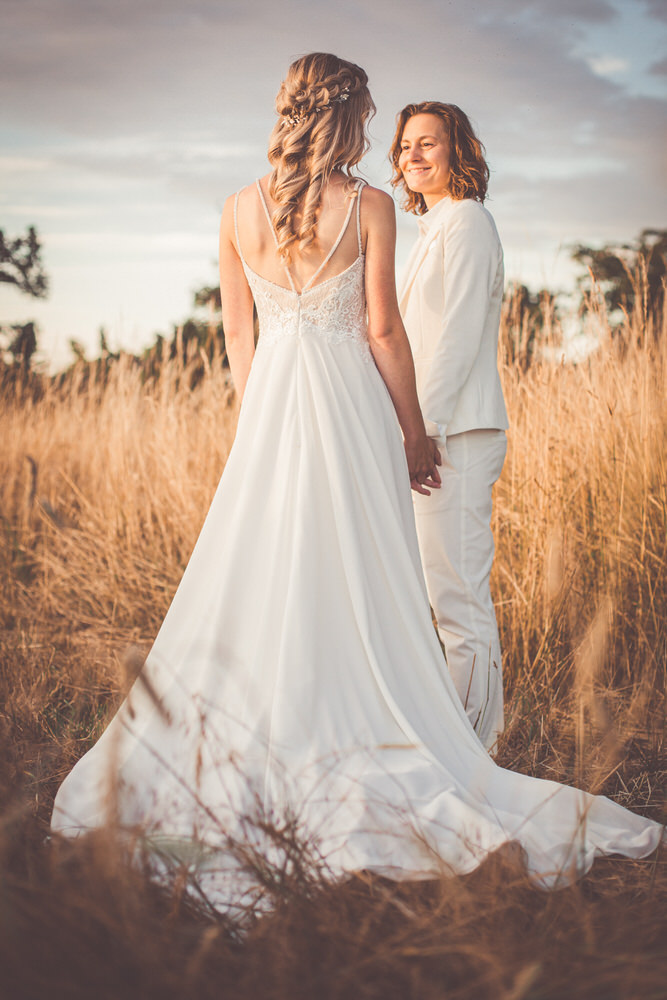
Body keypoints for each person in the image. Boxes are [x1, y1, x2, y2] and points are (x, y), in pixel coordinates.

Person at [50, 54, 663, 916]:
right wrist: (413, 431)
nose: (379, 136)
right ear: (348, 117)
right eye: (371, 117)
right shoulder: (370, 206)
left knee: (264, 568)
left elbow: (238, 337)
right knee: (366, 576)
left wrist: (260, 414)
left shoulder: (233, 210)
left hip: (270, 405)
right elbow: (381, 330)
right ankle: (382, 726)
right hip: (350, 406)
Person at [391, 102, 509, 751]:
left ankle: (478, 747)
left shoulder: (466, 221)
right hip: (435, 434)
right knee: (442, 596)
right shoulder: (431, 229)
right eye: (405, 145)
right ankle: (461, 735)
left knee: (458, 597)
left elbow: (458, 333)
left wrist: (422, 430)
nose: (413, 155)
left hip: (454, 435)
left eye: (427, 143)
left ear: (456, 151)